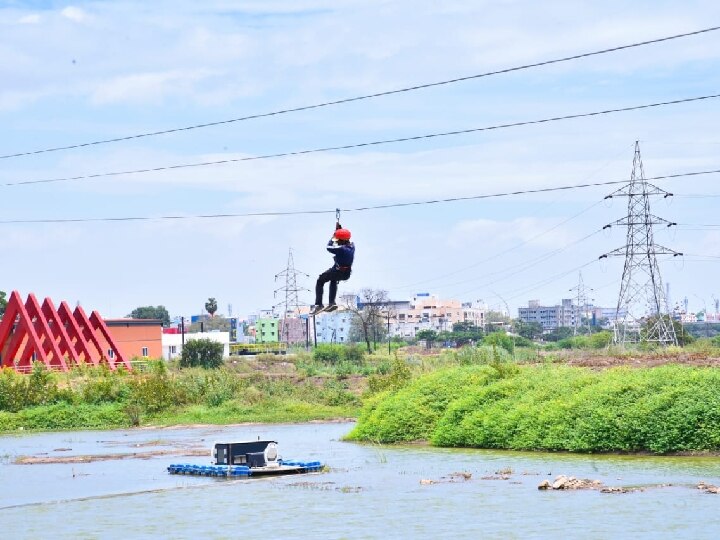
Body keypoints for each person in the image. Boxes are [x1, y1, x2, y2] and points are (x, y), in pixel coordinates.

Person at [311, 223, 355, 315]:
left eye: (338, 239)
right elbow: (342, 240)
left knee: (320, 280)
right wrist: (339, 231)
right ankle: (332, 303)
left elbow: (329, 247)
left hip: (338, 271)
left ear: (341, 240)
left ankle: (319, 304)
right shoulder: (352, 246)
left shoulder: (341, 249)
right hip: (346, 273)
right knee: (333, 279)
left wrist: (334, 236)